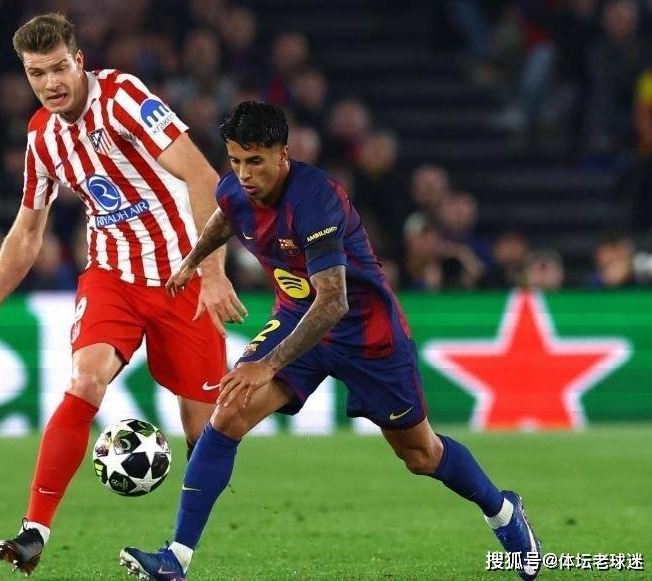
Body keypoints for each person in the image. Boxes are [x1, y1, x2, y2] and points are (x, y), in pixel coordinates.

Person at [119, 102, 542, 581]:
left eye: (255, 161)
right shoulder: (236, 189)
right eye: (235, 161)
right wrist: (193, 261)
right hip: (296, 316)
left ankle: (503, 511)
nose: (245, 174)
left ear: (283, 154)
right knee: (229, 411)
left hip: (366, 334)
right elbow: (224, 217)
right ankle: (176, 559)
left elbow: (335, 301)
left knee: (420, 455)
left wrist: (267, 365)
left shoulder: (315, 199)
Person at [0, 13, 247, 575]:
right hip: (112, 277)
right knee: (85, 379)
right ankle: (34, 531)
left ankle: (177, 555)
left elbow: (203, 177)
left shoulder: (123, 99)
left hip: (183, 277)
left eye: (58, 68)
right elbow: (28, 229)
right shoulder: (42, 138)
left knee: (206, 432)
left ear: (79, 61)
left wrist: (212, 273)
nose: (50, 83)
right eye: (36, 73)